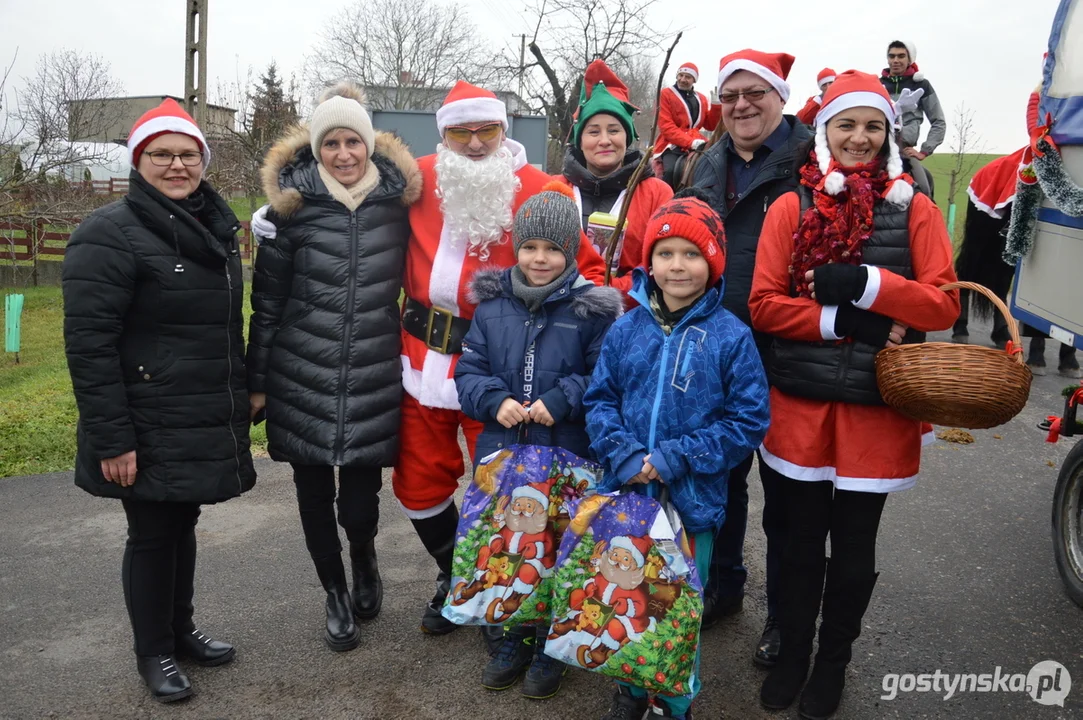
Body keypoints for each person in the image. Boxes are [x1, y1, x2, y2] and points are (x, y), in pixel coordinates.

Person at [251, 81, 608, 638]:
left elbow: (587, 272)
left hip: (503, 368)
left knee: (510, 484)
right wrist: (277, 214)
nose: (472, 143)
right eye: (459, 132)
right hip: (418, 361)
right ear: (443, 134)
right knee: (417, 485)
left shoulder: (542, 189)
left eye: (484, 130)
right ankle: (456, 576)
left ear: (502, 130)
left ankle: (512, 591)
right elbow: (345, 187)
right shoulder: (416, 180)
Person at [749, 70, 960, 719]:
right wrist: (842, 320)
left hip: (878, 407)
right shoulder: (791, 207)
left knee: (854, 551)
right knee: (800, 544)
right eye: (846, 125)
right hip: (803, 408)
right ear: (824, 133)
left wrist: (866, 282)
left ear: (888, 133)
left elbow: (943, 302)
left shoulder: (914, 208)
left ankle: (832, 664)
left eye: (872, 126)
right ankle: (792, 656)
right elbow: (762, 304)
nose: (859, 137)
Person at [62, 99, 256, 703]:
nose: (176, 165)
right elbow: (89, 347)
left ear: (203, 160)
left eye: (187, 154)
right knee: (151, 532)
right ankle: (154, 652)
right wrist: (112, 438)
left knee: (182, 519)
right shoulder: (108, 232)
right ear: (138, 161)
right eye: (161, 155)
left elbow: (223, 328)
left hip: (194, 411)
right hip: (143, 418)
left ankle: (179, 629)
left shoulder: (213, 228)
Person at [246, 83, 421, 651]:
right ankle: (334, 591)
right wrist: (257, 383)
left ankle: (365, 557)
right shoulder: (288, 214)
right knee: (313, 492)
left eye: (353, 142)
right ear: (315, 149)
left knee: (360, 498)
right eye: (331, 144)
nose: (344, 154)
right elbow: (266, 305)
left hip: (373, 368)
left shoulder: (399, 206)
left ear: (370, 144)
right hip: (301, 373)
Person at [584, 190, 771, 720]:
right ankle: (629, 684)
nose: (677, 265)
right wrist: (623, 453)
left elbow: (748, 421)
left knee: (675, 604)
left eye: (691, 254)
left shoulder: (731, 337)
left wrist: (673, 457)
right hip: (626, 494)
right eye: (665, 253)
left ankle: (671, 697)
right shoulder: (626, 328)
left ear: (712, 262)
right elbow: (600, 400)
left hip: (691, 504)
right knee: (622, 589)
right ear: (650, 261)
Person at [454, 181, 623, 699]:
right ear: (516, 247)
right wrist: (492, 399)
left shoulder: (590, 312)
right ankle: (515, 634)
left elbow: (603, 376)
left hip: (566, 454)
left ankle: (553, 641)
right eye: (530, 247)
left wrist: (562, 398)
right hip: (504, 452)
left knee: (558, 545)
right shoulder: (491, 308)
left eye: (553, 249)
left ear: (570, 251)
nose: (540, 258)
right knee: (512, 546)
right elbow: (469, 370)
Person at [691, 48, 813, 667]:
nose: (741, 105)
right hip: (720, 350)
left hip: (791, 350)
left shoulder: (813, 163)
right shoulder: (703, 166)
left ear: (780, 97)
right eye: (730, 94)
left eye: (754, 93)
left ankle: (786, 621)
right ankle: (725, 585)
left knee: (789, 497)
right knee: (724, 483)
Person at [563, 59, 673, 295]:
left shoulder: (657, 194)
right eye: (593, 131)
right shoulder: (555, 189)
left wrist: (608, 292)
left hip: (630, 317)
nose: (604, 140)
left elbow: (661, 266)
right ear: (580, 141)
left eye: (614, 130)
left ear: (627, 136)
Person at [653, 62, 723, 188]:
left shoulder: (701, 98)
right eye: (681, 75)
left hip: (698, 141)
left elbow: (710, 125)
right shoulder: (666, 94)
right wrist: (689, 142)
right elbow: (666, 126)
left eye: (687, 77)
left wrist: (716, 107)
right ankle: (663, 198)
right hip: (671, 144)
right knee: (669, 171)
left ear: (694, 80)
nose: (682, 79)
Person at [880, 41, 946, 162]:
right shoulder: (878, 85)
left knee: (922, 180)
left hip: (905, 153)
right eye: (892, 56)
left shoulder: (921, 85)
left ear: (910, 59)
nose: (895, 60)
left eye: (901, 56)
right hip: (878, 150)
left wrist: (925, 151)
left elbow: (938, 121)